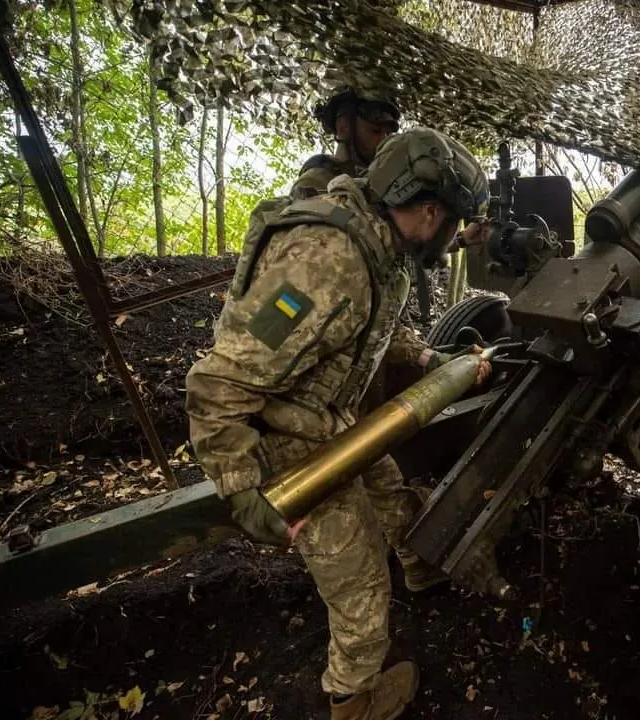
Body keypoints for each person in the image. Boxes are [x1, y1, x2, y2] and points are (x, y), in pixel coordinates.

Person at [185, 127, 493, 720]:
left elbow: (365, 328)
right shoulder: (327, 261)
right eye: (453, 224)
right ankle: (353, 699)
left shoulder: (381, 247)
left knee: (391, 493)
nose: (454, 237)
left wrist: (431, 358)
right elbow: (220, 381)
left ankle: (421, 567)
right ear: (429, 211)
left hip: (331, 423)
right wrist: (241, 488)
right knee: (360, 588)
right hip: (287, 446)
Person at [290, 77, 401, 201]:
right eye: (375, 131)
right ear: (343, 127)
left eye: (388, 134)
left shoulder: (384, 183)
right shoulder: (317, 178)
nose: (384, 140)